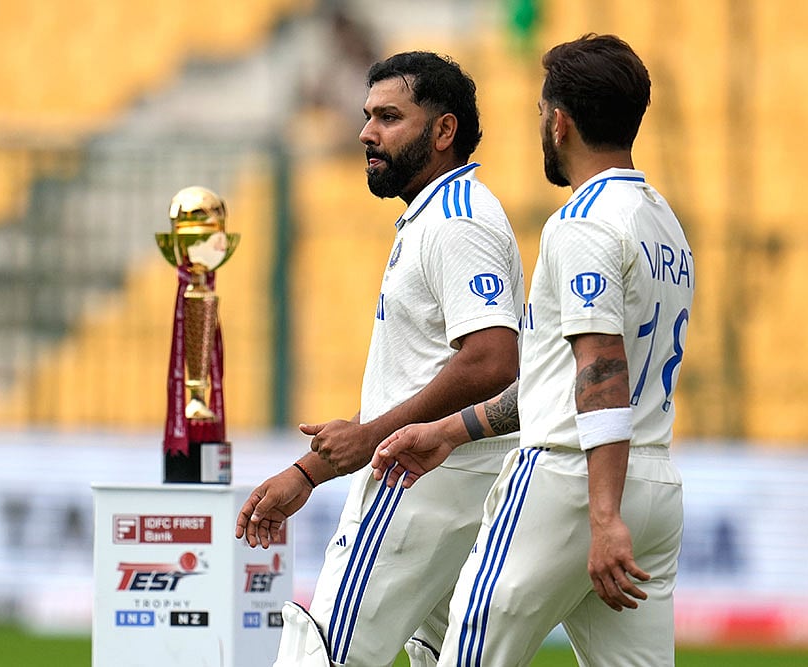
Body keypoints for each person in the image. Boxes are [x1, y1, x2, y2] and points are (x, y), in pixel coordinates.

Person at [372, 34, 694, 667]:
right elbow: (561, 378)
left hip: (571, 480)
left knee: (465, 655)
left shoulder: (583, 222)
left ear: (558, 121)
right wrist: (450, 430)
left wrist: (602, 514)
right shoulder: (664, 222)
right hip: (653, 479)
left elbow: (601, 366)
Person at [236, 51, 525, 667]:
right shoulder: (440, 215)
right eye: (368, 116)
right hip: (458, 482)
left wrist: (369, 436)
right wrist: (312, 469)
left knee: (324, 655)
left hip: (418, 476)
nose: (366, 132)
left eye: (389, 117)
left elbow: (494, 360)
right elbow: (439, 366)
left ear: (443, 131)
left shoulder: (456, 220)